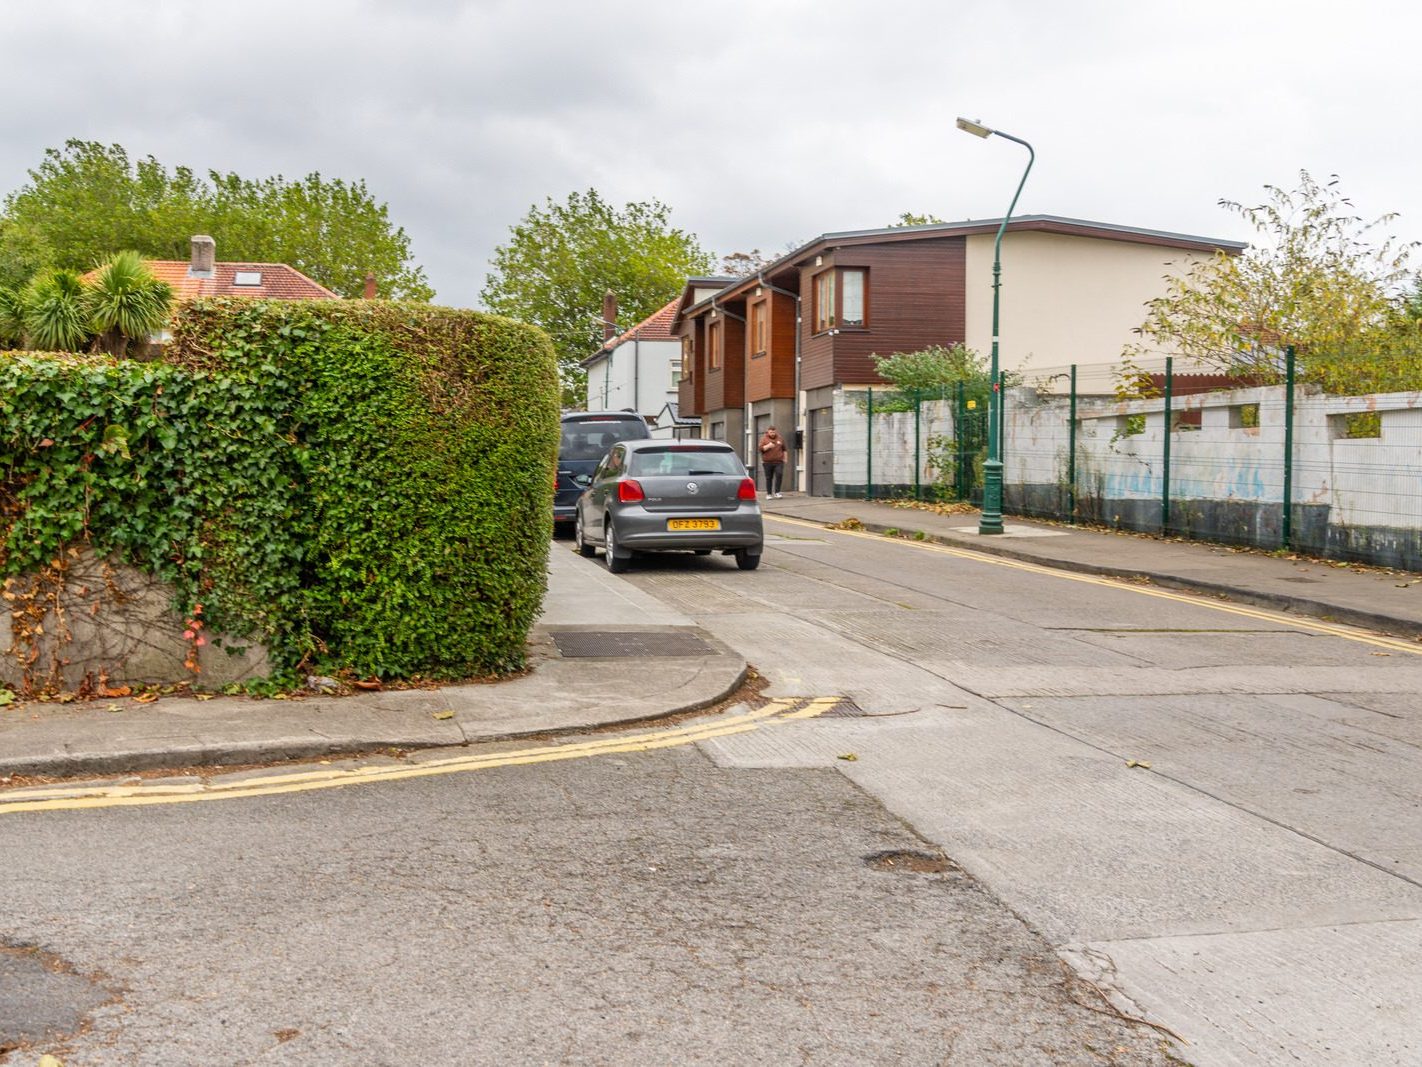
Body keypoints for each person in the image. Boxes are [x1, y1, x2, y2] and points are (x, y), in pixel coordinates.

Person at [758, 425, 787, 498]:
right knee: (769, 477)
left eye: (773, 432)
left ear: (775, 431)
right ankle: (769, 494)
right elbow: (760, 449)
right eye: (771, 432)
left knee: (779, 474)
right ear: (768, 432)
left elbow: (784, 449)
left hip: (778, 461)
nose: (772, 433)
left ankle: (777, 492)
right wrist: (768, 446)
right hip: (767, 462)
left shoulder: (780, 438)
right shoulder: (764, 439)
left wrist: (785, 459)